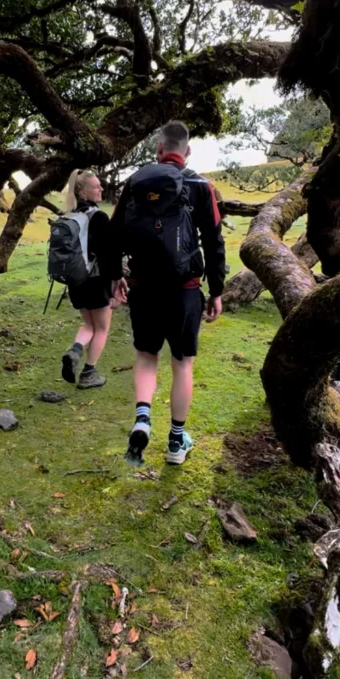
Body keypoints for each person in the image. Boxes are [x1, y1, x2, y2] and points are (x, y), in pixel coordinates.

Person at [110, 121, 225, 466]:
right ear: (186, 152)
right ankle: (176, 442)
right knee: (182, 363)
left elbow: (114, 233)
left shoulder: (136, 183)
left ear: (159, 149)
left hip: (144, 288)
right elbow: (215, 242)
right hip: (185, 291)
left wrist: (116, 275)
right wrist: (216, 291)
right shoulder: (202, 186)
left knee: (147, 357)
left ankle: (143, 418)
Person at [60, 169, 114, 389]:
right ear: (83, 192)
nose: (101, 189)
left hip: (75, 281)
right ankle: (88, 374)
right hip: (96, 280)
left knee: (89, 324)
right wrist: (115, 282)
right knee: (101, 328)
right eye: (96, 186)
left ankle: (75, 351)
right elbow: (107, 254)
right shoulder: (98, 217)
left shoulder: (68, 215)